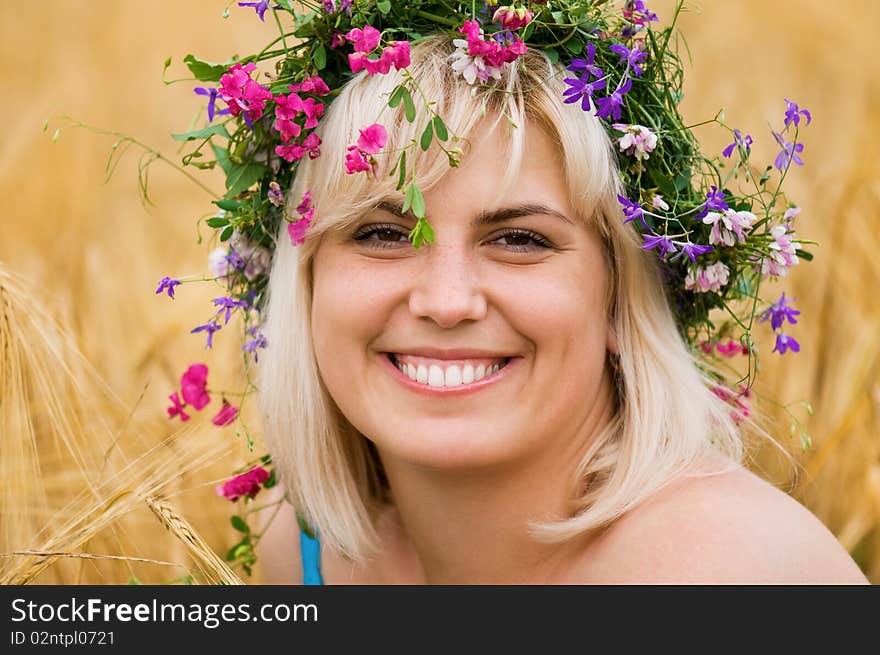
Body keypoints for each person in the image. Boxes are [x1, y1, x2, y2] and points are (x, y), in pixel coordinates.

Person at [252, 35, 867, 585]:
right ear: (305, 283)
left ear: (619, 302)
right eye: (381, 234)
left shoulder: (732, 574)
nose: (445, 302)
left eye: (520, 240)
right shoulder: (304, 554)